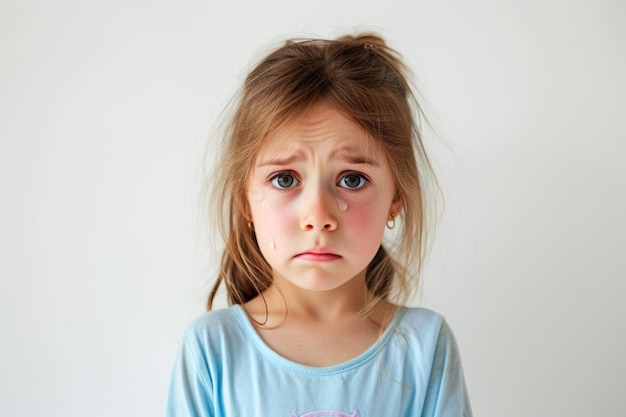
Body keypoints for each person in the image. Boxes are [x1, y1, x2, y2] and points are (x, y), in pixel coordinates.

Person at [166, 33, 472, 417]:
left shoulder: (424, 347)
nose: (318, 217)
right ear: (245, 199)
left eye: (353, 179)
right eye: (284, 179)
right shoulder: (212, 350)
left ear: (396, 199)